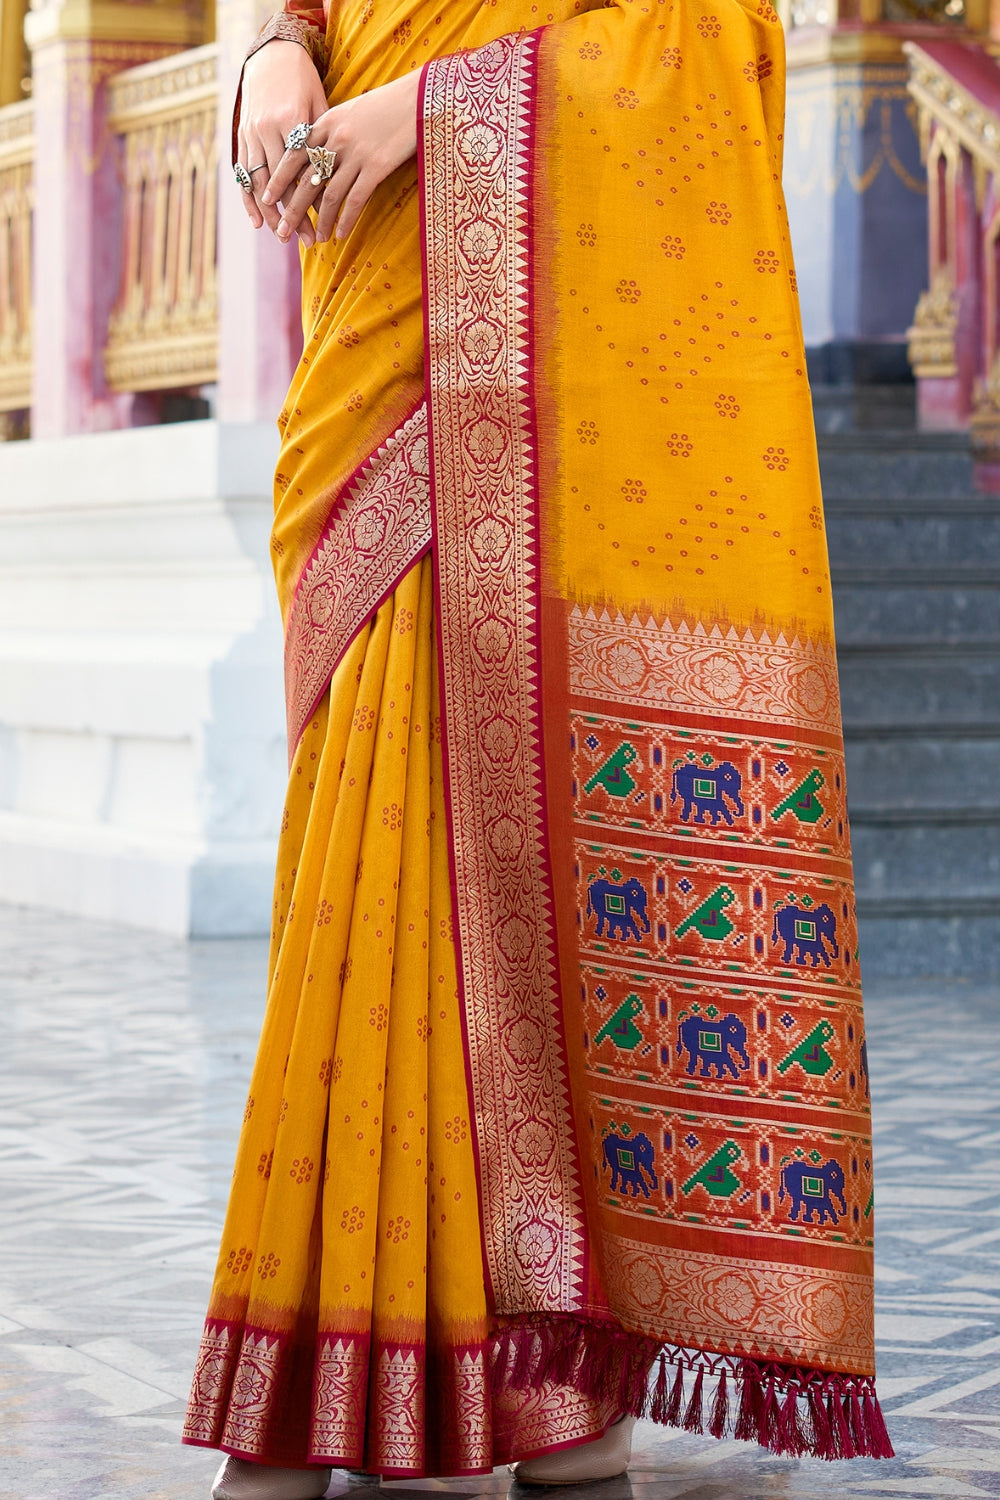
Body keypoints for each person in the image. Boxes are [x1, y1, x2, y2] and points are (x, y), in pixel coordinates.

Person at [183, 1, 894, 1495]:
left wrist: (428, 114)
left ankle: (539, 1384)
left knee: (483, 834)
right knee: (363, 848)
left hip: (540, 329)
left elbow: (706, 41)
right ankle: (411, 1372)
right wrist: (272, 58)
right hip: (375, 294)